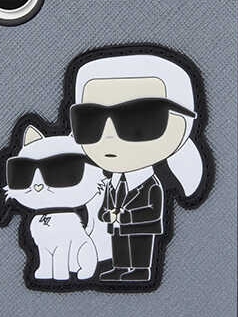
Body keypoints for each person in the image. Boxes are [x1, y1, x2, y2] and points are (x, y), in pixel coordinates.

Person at [70, 53, 204, 282]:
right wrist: (107, 214)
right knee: (119, 247)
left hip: (142, 227)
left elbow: (153, 210)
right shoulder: (111, 183)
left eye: (139, 120)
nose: (109, 135)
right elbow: (106, 206)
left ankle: (141, 270)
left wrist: (125, 214)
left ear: (182, 125)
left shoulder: (151, 184)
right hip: (117, 227)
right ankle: (121, 268)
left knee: (140, 250)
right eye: (90, 120)